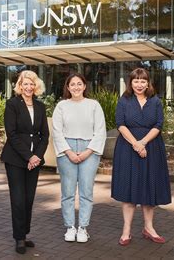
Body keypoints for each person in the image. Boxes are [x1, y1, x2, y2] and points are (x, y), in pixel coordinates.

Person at [111, 68, 171, 246]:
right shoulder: (124, 101)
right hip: (127, 148)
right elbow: (120, 124)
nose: (139, 84)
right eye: (136, 81)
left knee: (149, 188)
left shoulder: (155, 101)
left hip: (151, 147)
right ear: (131, 83)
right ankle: (126, 231)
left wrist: (143, 142)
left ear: (148, 83)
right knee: (129, 190)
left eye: (142, 81)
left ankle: (149, 228)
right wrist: (136, 144)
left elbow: (159, 124)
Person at [52, 73, 106, 243]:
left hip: (89, 150)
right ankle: (70, 227)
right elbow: (56, 132)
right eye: (72, 84)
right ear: (68, 87)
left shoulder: (94, 105)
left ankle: (83, 227)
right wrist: (68, 152)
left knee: (86, 192)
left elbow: (100, 131)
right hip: (66, 149)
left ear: (84, 86)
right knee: (67, 192)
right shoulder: (61, 106)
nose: (76, 87)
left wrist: (87, 152)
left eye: (79, 84)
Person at [1, 70, 49, 254]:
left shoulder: (40, 106)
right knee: (19, 199)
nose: (28, 87)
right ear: (19, 86)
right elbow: (11, 134)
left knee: (29, 199)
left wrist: (36, 156)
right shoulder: (12, 104)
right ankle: (19, 237)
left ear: (36, 86)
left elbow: (45, 135)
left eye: (31, 84)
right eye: (25, 84)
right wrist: (28, 156)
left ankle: (25, 233)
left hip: (34, 160)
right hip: (15, 159)